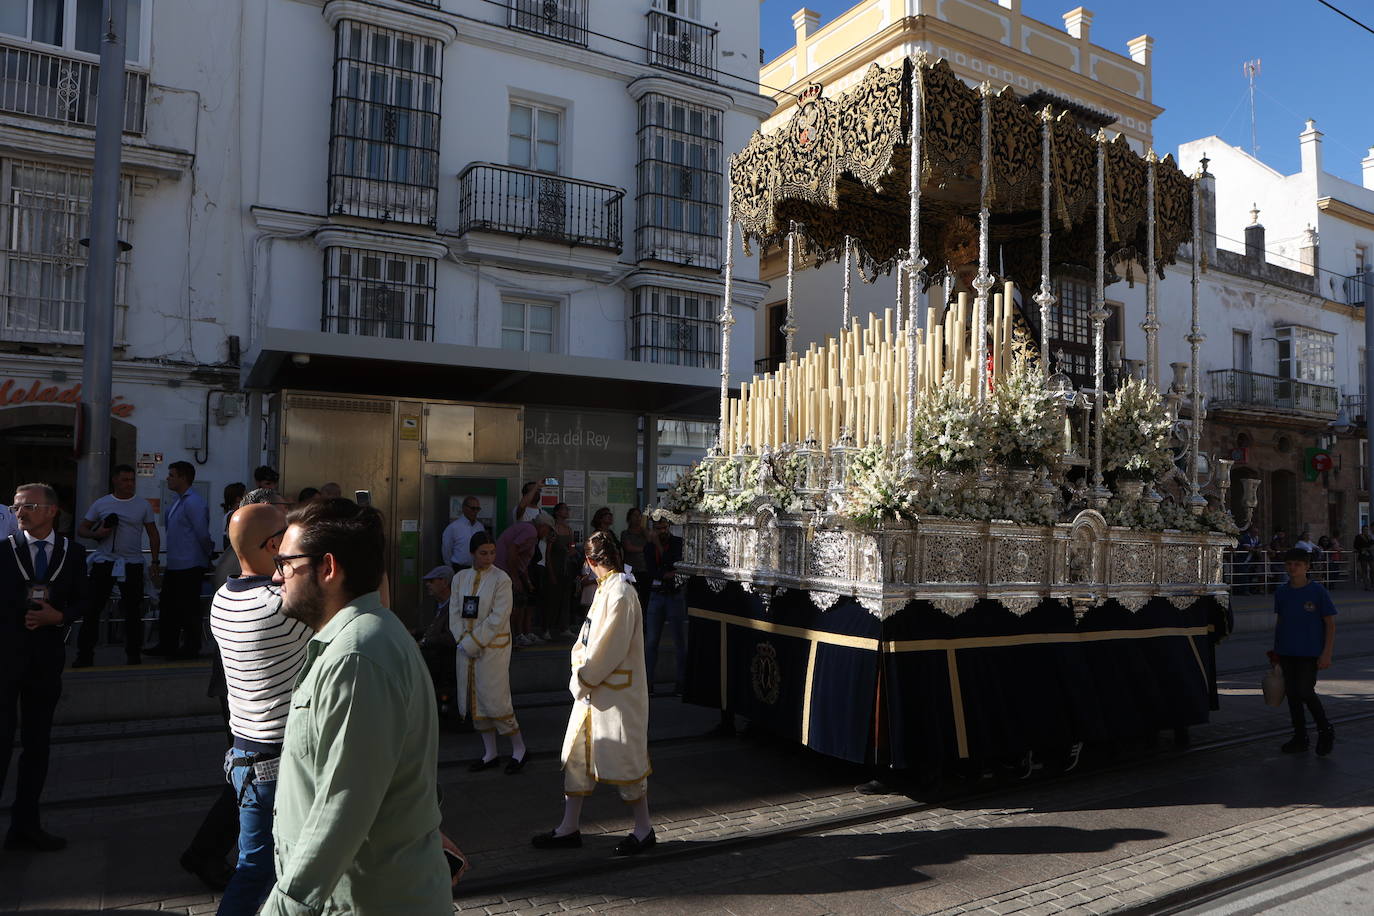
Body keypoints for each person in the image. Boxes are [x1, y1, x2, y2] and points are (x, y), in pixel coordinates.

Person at [261, 498, 450, 915]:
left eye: (285, 564)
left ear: (327, 568)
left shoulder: (356, 657)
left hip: (362, 900)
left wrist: (283, 909)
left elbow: (341, 808)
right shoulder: (362, 639)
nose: (276, 578)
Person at [211, 501, 313, 915]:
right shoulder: (280, 607)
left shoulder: (222, 598)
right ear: (275, 545)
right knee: (262, 869)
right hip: (279, 763)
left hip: (244, 755)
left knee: (259, 866)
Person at [531, 531, 654, 856]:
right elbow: (585, 640)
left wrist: (581, 678)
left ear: (589, 562)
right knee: (576, 757)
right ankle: (569, 827)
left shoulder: (620, 594)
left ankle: (644, 829)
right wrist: (581, 675)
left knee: (626, 761)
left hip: (615, 697)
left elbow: (607, 649)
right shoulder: (606, 590)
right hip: (592, 693)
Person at [0, 484, 89, 852]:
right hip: (5, 658)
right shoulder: (3, 551)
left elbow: (86, 599)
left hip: (46, 660)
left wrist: (60, 616)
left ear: (52, 511)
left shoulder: (72, 552)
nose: (20, 513)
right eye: (17, 507)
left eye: (29, 506)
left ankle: (26, 825)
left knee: (37, 745)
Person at [452, 533, 526, 774]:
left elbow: (499, 616)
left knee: (495, 701)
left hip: (492, 650)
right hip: (466, 647)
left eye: (492, 552)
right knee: (475, 702)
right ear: (472, 553)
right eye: (483, 553)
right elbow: (454, 611)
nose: (489, 557)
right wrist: (462, 639)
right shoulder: (460, 577)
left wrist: (473, 642)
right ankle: (490, 753)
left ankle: (519, 750)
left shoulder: (501, 579)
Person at [75, 465, 159, 667]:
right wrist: (98, 534)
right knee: (93, 609)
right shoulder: (101, 504)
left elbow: (153, 533)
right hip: (105, 561)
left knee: (132, 611)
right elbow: (82, 530)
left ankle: (133, 654)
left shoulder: (142, 505)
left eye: (132, 480)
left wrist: (155, 561)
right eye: (125, 480)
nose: (129, 484)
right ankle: (84, 655)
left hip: (133, 564)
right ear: (115, 480)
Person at [1272, 548, 1336, 756]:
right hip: (1287, 651)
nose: (1293, 568)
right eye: (1289, 564)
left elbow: (1330, 624)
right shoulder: (1282, 592)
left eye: (1298, 564)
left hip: (1310, 652)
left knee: (1305, 691)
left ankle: (1325, 729)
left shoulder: (1318, 592)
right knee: (1292, 695)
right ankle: (1300, 737)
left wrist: (1326, 653)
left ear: (1307, 567)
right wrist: (1276, 652)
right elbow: (1280, 622)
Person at [150, 461, 214, 660]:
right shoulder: (178, 501)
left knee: (188, 608)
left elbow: (202, 533)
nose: (168, 478)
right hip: (177, 563)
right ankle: (167, 645)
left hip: (190, 563)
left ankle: (190, 647)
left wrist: (207, 553)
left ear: (183, 478)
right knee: (169, 606)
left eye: (172, 475)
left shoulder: (193, 502)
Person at [642, 514, 686, 695]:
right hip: (657, 594)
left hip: (674, 595)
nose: (663, 531)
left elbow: (673, 562)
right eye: (659, 528)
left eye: (665, 528)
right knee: (651, 641)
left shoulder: (677, 542)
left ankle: (681, 681)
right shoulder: (649, 546)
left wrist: (667, 570)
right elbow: (652, 570)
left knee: (679, 641)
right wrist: (664, 573)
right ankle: (648, 682)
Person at [496, 511, 552, 647]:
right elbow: (512, 551)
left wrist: (525, 580)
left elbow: (521, 559)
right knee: (515, 605)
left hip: (511, 571)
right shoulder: (530, 531)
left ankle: (516, 636)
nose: (548, 534)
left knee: (520, 602)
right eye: (549, 530)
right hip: (505, 571)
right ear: (543, 526)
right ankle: (512, 638)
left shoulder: (528, 529)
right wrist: (515, 579)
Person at [416, 565, 457, 716]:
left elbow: (452, 637)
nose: (428, 584)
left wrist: (424, 642)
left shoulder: (454, 607)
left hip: (442, 663)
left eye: (431, 581)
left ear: (444, 582)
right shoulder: (442, 606)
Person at [545, 503, 576, 640]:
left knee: (565, 598)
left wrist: (572, 550)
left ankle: (565, 627)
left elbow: (573, 545)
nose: (567, 511)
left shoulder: (569, 529)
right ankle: (547, 628)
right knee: (552, 599)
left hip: (567, 567)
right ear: (557, 512)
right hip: (555, 565)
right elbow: (548, 551)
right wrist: (550, 571)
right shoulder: (553, 529)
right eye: (564, 509)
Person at [441, 497, 485, 571]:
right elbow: (446, 550)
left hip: (477, 568)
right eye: (473, 508)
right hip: (459, 568)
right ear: (464, 508)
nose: (475, 511)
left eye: (477, 509)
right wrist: (450, 567)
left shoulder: (480, 527)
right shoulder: (453, 527)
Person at [621, 508, 649, 609]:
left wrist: (644, 530)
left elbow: (651, 543)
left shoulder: (644, 532)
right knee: (632, 595)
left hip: (645, 568)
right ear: (629, 518)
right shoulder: (625, 533)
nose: (638, 518)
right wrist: (644, 549)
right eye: (635, 516)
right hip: (631, 569)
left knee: (645, 596)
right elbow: (629, 548)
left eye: (639, 516)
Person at [221, 483, 247, 551]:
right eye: (246, 494)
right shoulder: (234, 515)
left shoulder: (230, 514)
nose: (248, 497)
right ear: (238, 499)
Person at [1355, 525, 1374, 590]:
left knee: (1372, 568)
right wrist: (1362, 549)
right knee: (1364, 569)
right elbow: (1356, 545)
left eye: (1367, 529)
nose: (1366, 530)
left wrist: (1371, 547)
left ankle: (1372, 583)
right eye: (1365, 529)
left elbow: (1372, 543)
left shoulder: (1369, 537)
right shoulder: (1358, 537)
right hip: (1363, 554)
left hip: (1369, 554)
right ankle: (1366, 585)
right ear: (1362, 530)